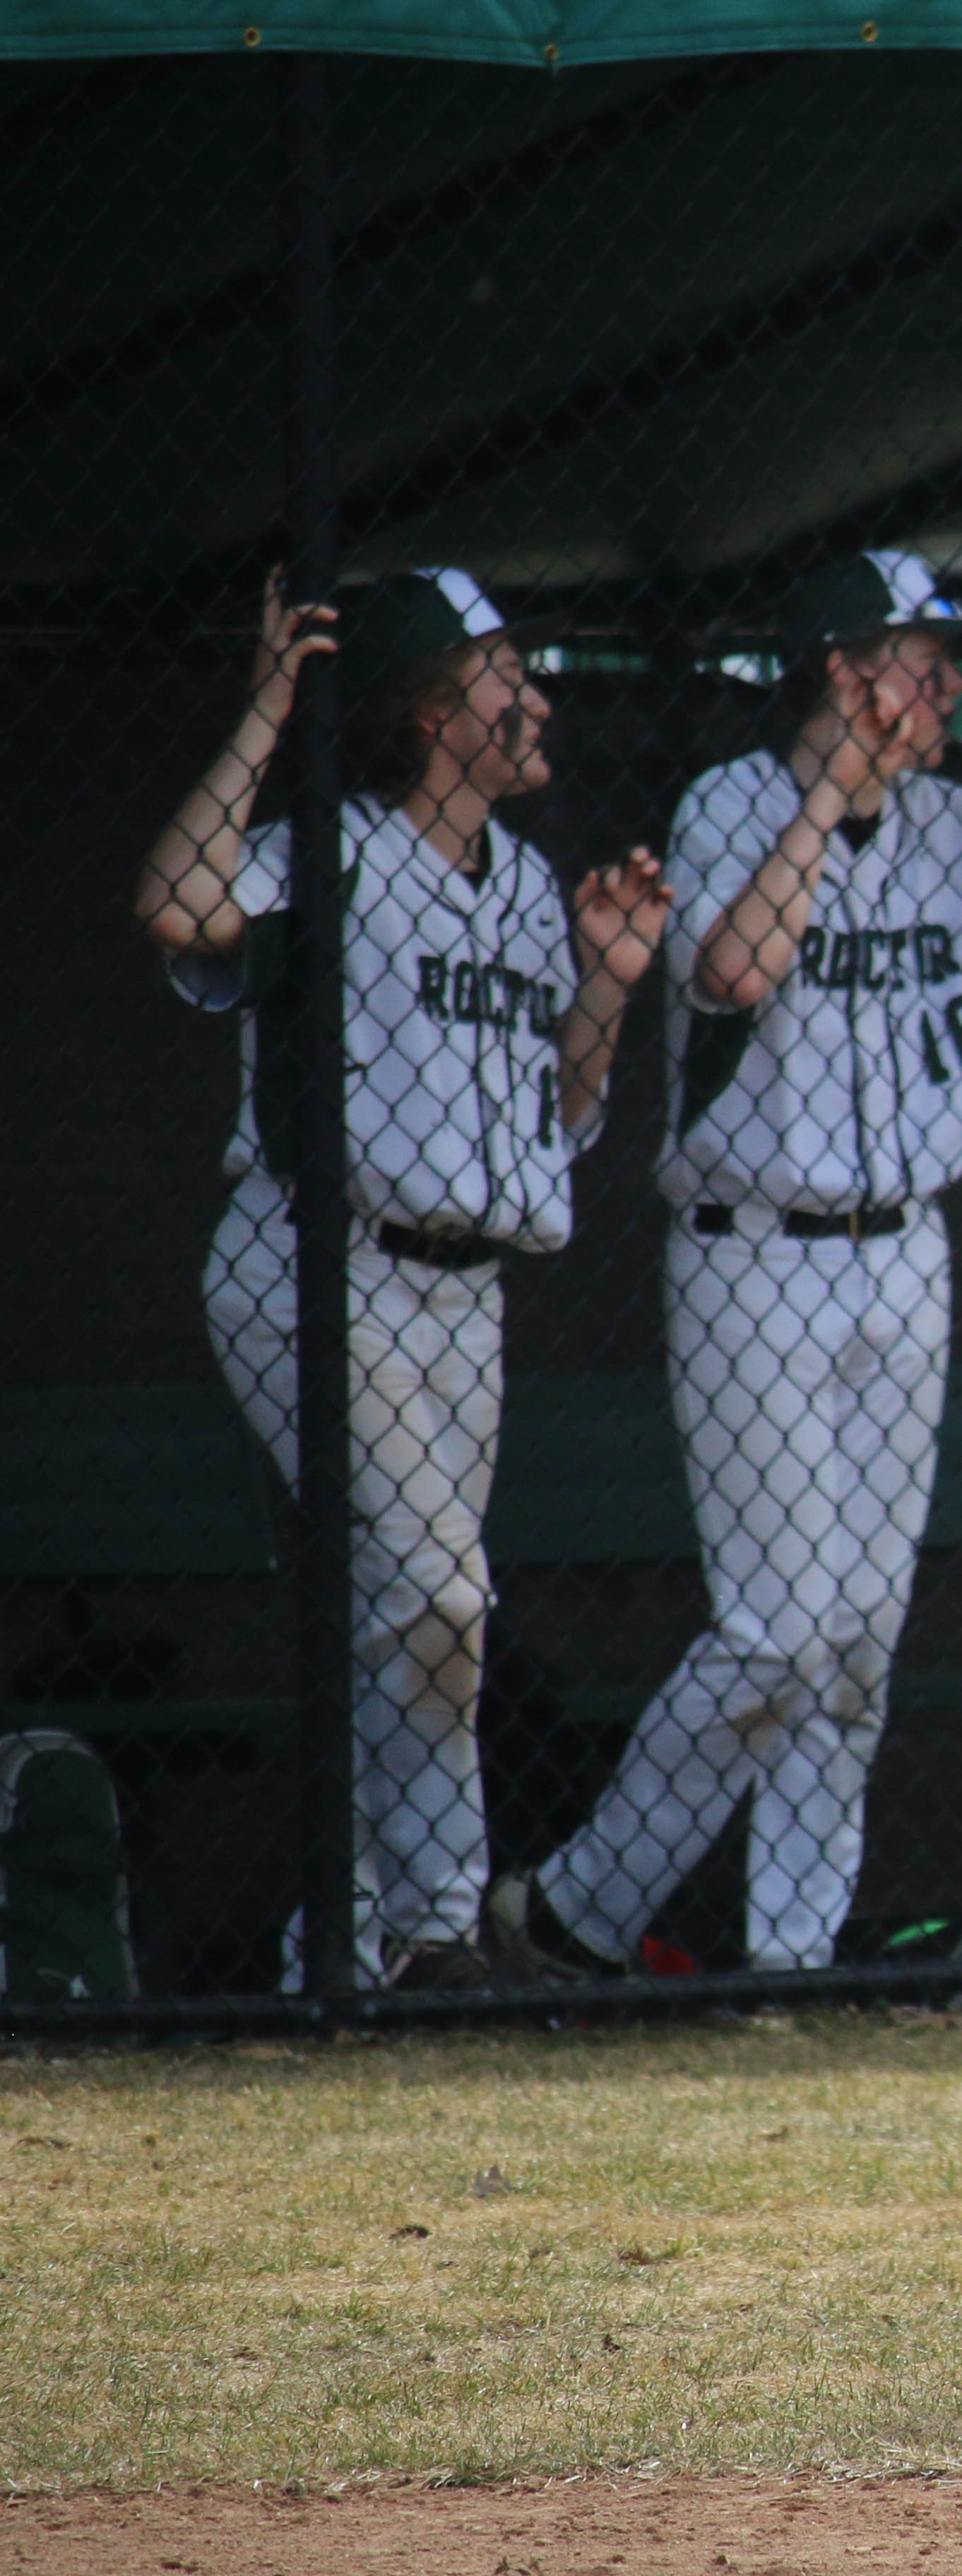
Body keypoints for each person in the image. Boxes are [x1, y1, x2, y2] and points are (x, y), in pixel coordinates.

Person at [496, 550, 962, 1976]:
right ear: (839, 670)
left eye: (940, 663)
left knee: (860, 1644)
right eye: (914, 660)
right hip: (758, 1259)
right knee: (778, 1628)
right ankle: (577, 1911)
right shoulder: (735, 803)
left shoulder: (948, 818)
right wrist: (828, 790)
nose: (943, 686)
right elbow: (736, 970)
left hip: (906, 1254)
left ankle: (794, 1959)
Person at [137, 568, 667, 1989]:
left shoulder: (530, 891)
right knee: (437, 1597)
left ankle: (348, 1944)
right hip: (317, 1264)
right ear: (431, 711)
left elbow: (559, 1114)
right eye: (501, 673)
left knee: (419, 1613)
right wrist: (271, 707)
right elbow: (180, 904)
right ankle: (437, 1928)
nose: (534, 696)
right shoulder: (343, 849)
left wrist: (608, 988)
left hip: (462, 1295)